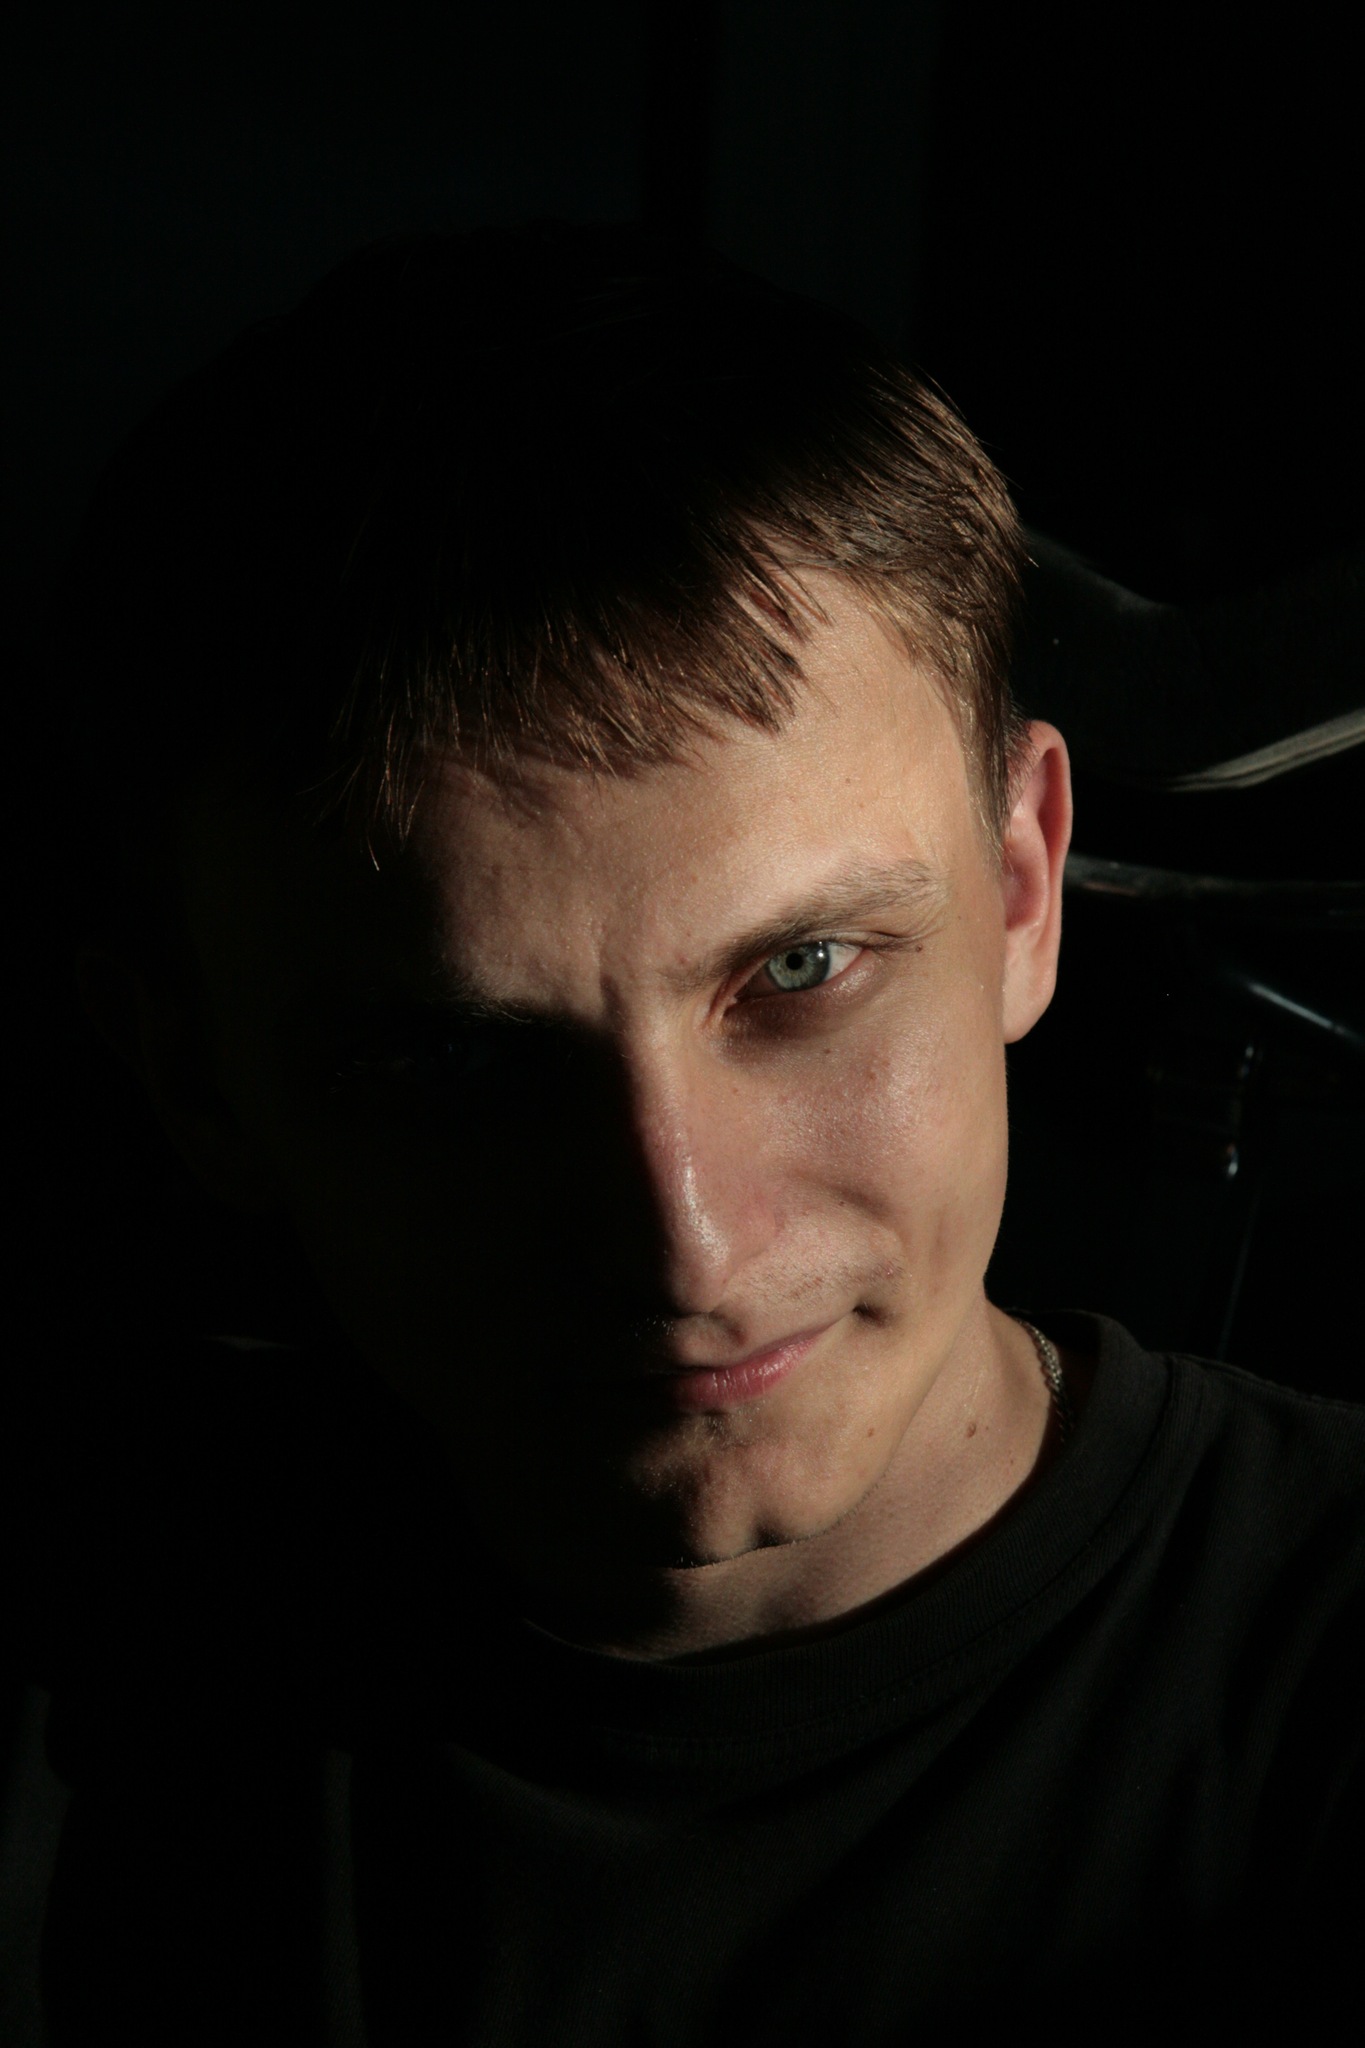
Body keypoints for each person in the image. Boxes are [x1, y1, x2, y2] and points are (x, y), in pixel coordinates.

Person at [5, 221, 1362, 2044]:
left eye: (802, 969)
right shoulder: (86, 1658)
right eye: (450, 1061)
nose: (684, 1248)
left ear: (1024, 889)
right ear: (195, 1079)